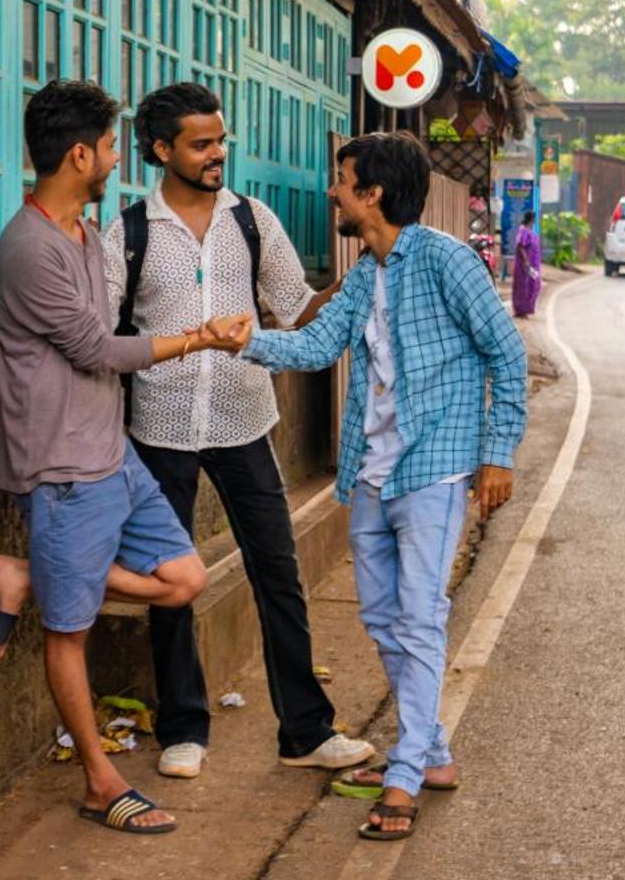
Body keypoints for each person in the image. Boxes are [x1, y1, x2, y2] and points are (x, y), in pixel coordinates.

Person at [212, 133, 528, 842]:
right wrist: (245, 339)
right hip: (372, 469)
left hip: (436, 466)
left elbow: (506, 353)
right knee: (383, 616)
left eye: (342, 180)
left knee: (418, 616)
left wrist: (497, 453)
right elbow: (319, 347)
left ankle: (404, 773)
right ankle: (433, 753)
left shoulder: (447, 261)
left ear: (372, 193)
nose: (333, 191)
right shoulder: (365, 274)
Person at [0, 78, 245, 835]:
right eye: (108, 147)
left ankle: (25, 574)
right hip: (62, 465)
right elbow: (99, 348)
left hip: (112, 453)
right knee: (70, 633)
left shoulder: (87, 237)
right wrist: (197, 336)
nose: (114, 161)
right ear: (79, 154)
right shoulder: (28, 248)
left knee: (185, 577)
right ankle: (100, 778)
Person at [103, 82, 375, 781]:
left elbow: (295, 310)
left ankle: (306, 730)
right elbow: (101, 335)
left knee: (277, 572)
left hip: (244, 419)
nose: (217, 152)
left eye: (220, 138)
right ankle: (182, 728)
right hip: (158, 424)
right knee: (173, 580)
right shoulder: (128, 232)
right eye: (201, 143)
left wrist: (361, 271)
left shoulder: (253, 221)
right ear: (162, 150)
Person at [511, 209, 542, 318]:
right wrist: (525, 260)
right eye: (534, 219)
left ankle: (526, 309)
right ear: (532, 219)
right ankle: (521, 311)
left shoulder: (530, 230)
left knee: (534, 286)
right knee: (523, 286)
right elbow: (521, 245)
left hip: (533, 265)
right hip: (525, 265)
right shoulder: (523, 230)